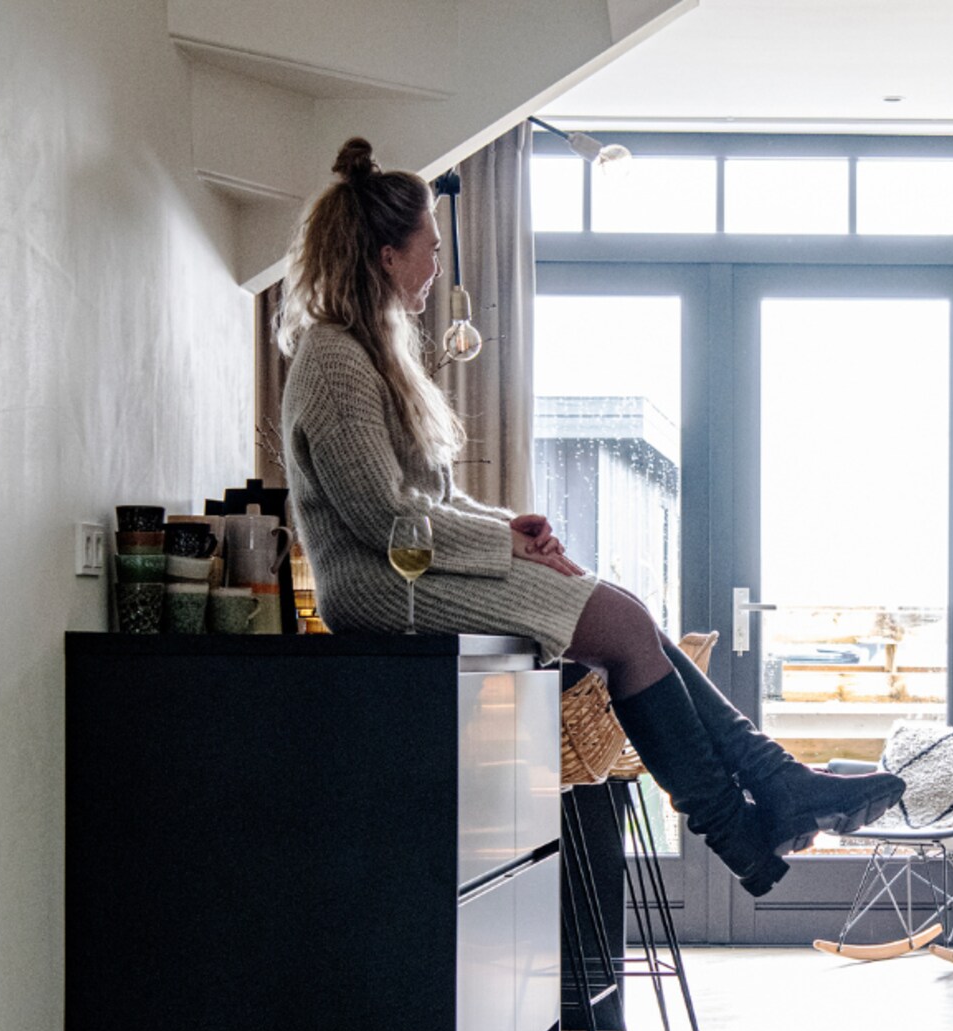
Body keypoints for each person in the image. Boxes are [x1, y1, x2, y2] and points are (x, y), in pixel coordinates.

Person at [277, 139, 901, 895]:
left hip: (412, 564)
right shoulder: (334, 358)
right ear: (385, 256)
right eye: (429, 250)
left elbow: (428, 497)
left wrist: (510, 525)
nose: (436, 267)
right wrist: (500, 540)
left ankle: (775, 792)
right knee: (626, 629)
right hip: (382, 584)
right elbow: (384, 515)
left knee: (629, 617)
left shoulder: (372, 354)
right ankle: (747, 821)